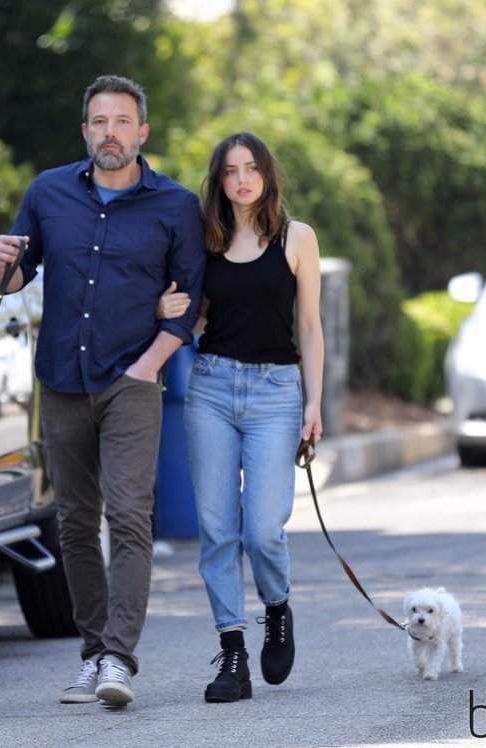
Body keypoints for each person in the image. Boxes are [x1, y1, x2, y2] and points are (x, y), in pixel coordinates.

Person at [0, 74, 205, 708]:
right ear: (85, 131)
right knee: (75, 525)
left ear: (142, 133)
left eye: (122, 122)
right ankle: (92, 654)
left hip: (131, 380)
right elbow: (13, 279)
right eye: (99, 122)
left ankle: (119, 660)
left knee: (129, 519)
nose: (110, 133)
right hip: (59, 380)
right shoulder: (48, 193)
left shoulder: (176, 206)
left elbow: (187, 308)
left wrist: (148, 367)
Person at [159, 131, 324, 703]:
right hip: (210, 387)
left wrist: (315, 403)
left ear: (267, 174)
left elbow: (309, 326)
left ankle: (276, 607)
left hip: (277, 392)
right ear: (219, 181)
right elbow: (195, 316)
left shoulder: (297, 237)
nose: (242, 179)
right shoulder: (207, 238)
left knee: (262, 529)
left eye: (251, 168)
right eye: (231, 171)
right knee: (217, 530)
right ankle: (232, 652)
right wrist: (164, 309)